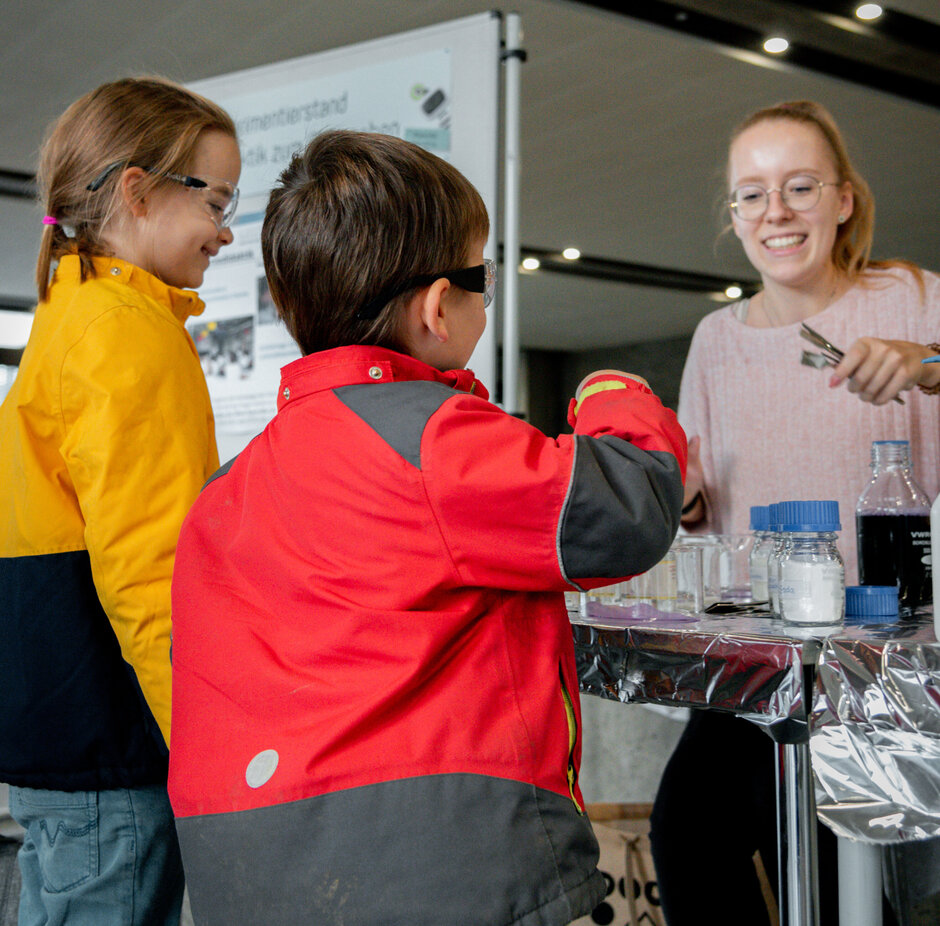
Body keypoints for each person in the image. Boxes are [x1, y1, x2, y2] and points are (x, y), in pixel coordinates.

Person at [167, 129, 688, 926]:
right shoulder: (434, 439)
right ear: (439, 307)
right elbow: (629, 509)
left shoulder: (226, 492)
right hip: (439, 872)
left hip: (247, 876)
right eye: (483, 276)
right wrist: (614, 394)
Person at [650, 100, 940, 926]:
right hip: (754, 662)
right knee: (687, 835)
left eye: (800, 187)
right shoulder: (716, 339)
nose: (774, 212)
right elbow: (704, 510)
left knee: (827, 865)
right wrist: (688, 498)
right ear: (734, 214)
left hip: (876, 671)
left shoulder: (915, 299)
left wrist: (929, 368)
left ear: (843, 200)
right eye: (751, 194)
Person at [0, 77, 240, 926]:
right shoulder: (123, 333)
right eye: (215, 198)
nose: (225, 226)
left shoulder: (77, 312)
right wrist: (209, 746)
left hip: (75, 731)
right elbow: (152, 570)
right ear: (137, 189)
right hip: (115, 743)